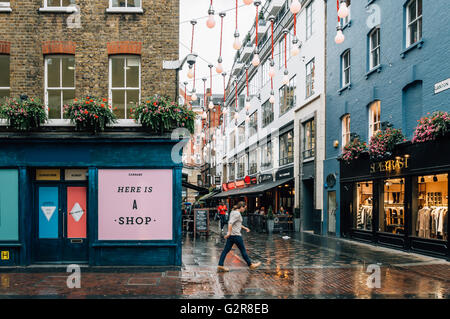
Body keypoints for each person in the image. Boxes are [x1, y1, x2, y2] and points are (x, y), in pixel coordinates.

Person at [217, 201, 261, 272]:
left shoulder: (233, 212)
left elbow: (237, 223)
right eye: (244, 208)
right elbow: (230, 223)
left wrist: (245, 228)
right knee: (243, 251)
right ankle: (250, 265)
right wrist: (228, 232)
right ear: (241, 207)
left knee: (225, 250)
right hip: (236, 236)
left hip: (232, 236)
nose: (244, 210)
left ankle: (220, 265)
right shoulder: (237, 214)